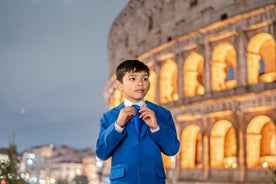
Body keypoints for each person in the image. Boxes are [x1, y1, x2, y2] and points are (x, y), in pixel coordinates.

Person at [96, 59, 180, 184]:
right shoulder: (109, 117)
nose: (140, 83)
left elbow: (172, 149)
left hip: (153, 179)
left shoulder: (162, 114)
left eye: (145, 78)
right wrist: (118, 126)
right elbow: (102, 153)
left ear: (149, 84)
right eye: (132, 79)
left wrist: (156, 128)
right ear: (119, 85)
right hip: (122, 181)